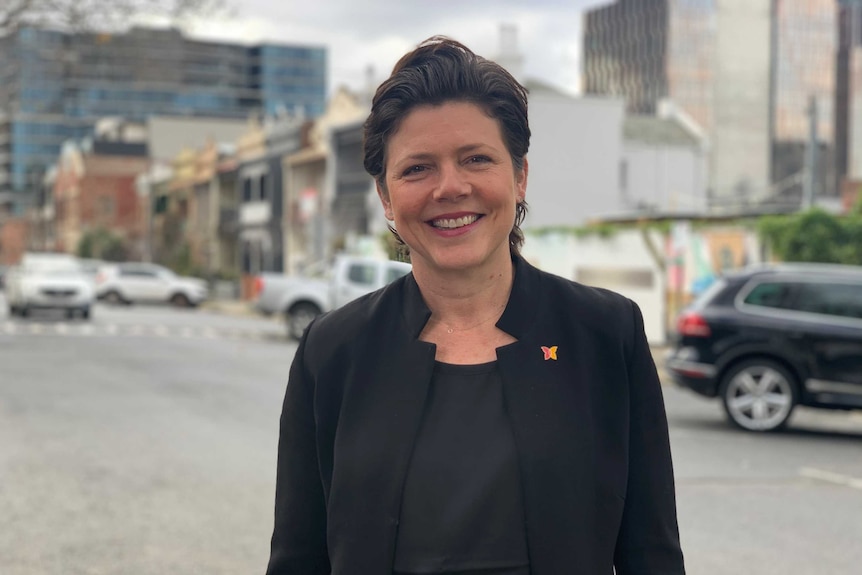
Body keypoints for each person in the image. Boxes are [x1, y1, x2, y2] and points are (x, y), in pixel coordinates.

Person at [266, 36, 685, 575]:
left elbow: (651, 554)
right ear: (386, 198)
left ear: (519, 177)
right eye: (418, 168)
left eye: (476, 159)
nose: (450, 187)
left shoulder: (606, 334)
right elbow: (299, 558)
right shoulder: (334, 350)